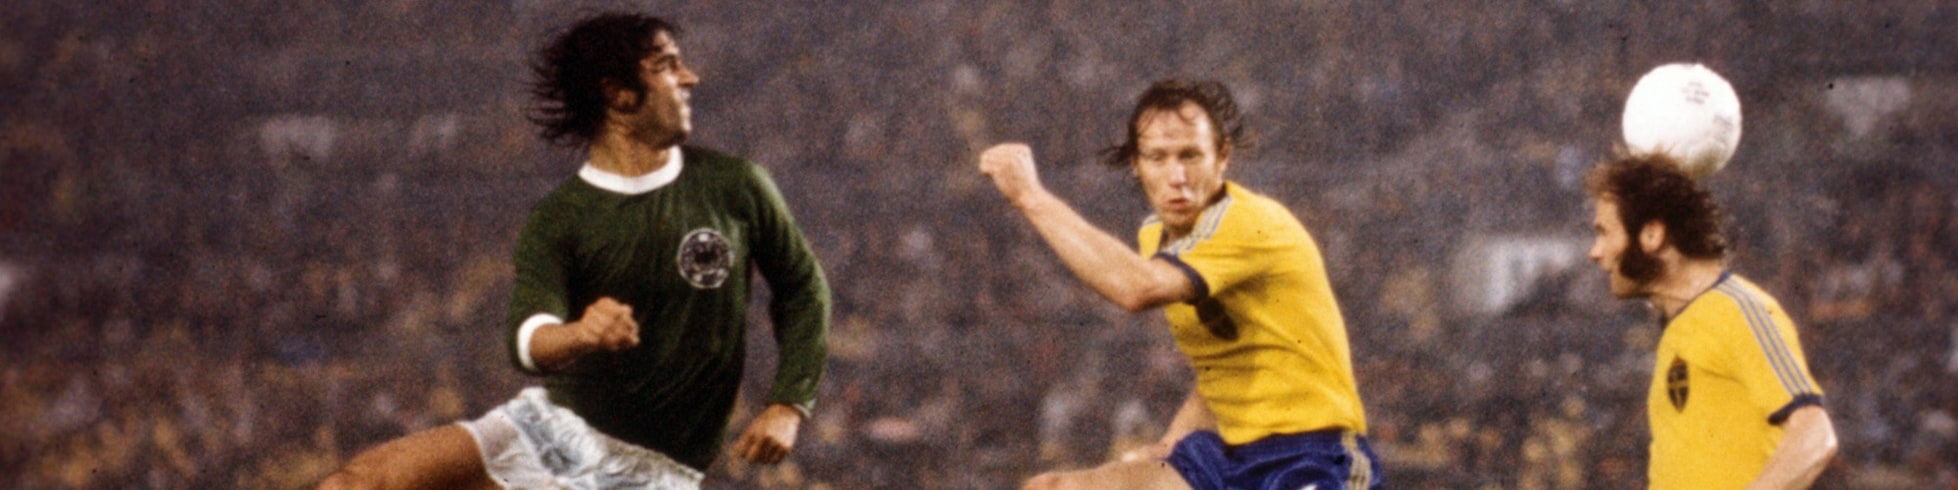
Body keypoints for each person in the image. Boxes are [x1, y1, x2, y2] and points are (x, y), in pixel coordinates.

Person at [317, 12, 830, 489]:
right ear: (618, 94)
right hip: (549, 429)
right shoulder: (560, 218)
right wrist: (580, 334)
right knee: (360, 482)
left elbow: (804, 289)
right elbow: (528, 340)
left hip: (653, 475)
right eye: (667, 66)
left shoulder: (735, 186)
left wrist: (788, 404)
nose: (690, 78)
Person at [979, 80, 1382, 490]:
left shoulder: (1249, 221)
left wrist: (1030, 196)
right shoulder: (1156, 237)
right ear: (1136, 164)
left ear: (1222, 156)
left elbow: (1136, 288)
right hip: (1225, 459)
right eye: (1158, 157)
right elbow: (1218, 370)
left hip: (1312, 456)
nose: (1177, 177)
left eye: (1190, 155)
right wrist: (1171, 442)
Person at [1582, 154, 1837, 488]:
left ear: (1652, 235)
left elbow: (1815, 434)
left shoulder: (1739, 310)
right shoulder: (1681, 326)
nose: (1595, 252)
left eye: (1604, 233)